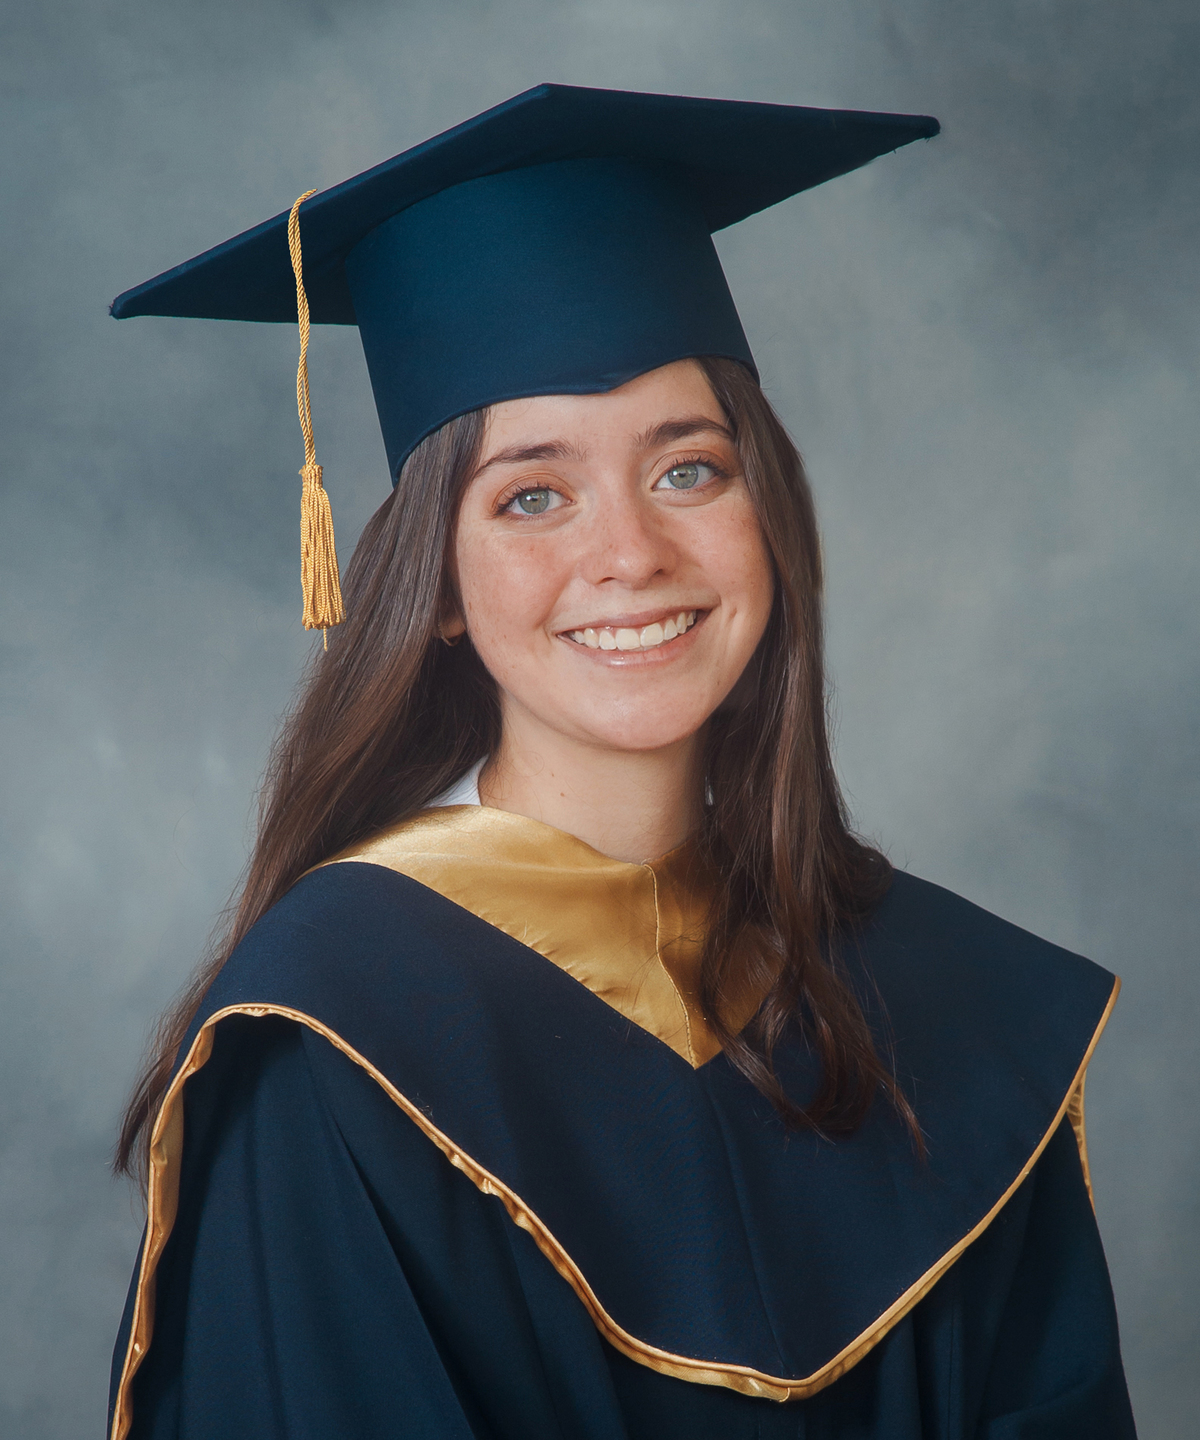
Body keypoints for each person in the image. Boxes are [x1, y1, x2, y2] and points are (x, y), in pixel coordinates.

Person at [106, 84, 1137, 1439]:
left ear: (770, 513)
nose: (630, 555)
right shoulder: (334, 1041)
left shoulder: (957, 1009)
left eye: (689, 470)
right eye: (532, 494)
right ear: (443, 586)